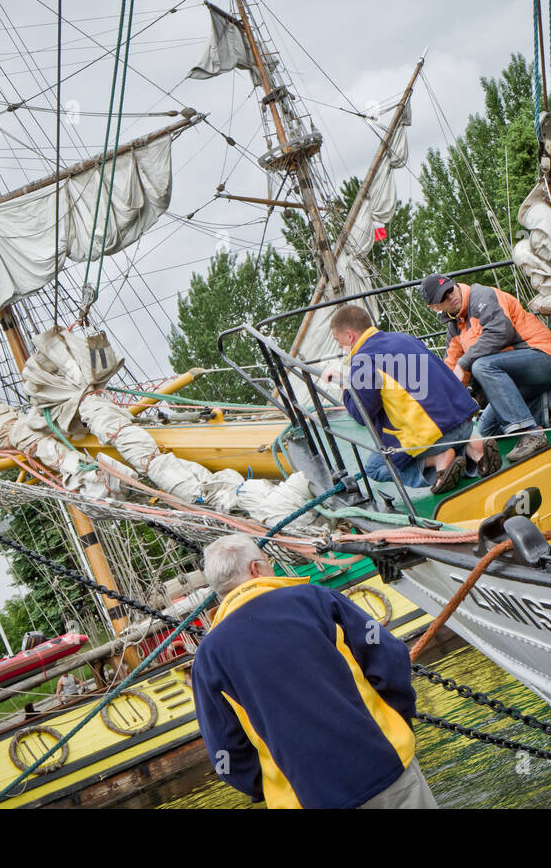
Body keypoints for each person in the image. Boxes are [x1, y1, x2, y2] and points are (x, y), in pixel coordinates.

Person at [190, 533, 436, 809]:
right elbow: (389, 658)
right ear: (255, 568)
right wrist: (395, 721)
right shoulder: (317, 599)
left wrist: (276, 784)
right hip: (383, 765)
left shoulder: (208, 658)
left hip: (306, 797)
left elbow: (225, 754)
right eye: (268, 561)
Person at [324, 304, 499, 494]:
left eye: (338, 340)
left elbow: (361, 414)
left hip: (433, 438)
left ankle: (438, 461)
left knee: (374, 468)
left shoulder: (363, 359)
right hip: (464, 422)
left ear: (350, 336)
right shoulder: (404, 338)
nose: (340, 346)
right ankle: (472, 448)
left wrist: (345, 387)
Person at [421, 273, 551, 464]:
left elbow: (500, 332)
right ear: (434, 308)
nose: (451, 296)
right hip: (520, 379)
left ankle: (531, 433)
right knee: (487, 429)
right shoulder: (454, 326)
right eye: (443, 297)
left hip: (543, 358)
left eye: (450, 290)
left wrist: (463, 363)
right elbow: (451, 371)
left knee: (481, 365)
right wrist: (440, 406)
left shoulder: (482, 296)